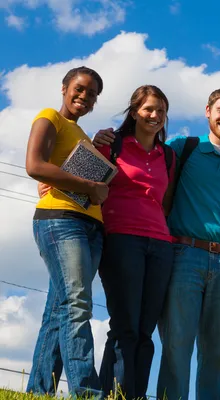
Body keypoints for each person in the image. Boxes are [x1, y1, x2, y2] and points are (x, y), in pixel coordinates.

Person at [93, 87, 220, 400]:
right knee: (176, 345)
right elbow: (140, 154)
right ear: (208, 111)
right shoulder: (182, 149)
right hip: (184, 254)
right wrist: (104, 140)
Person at [25, 66, 107, 398]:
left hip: (92, 226)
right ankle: (87, 392)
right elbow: (35, 165)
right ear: (64, 88)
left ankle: (38, 390)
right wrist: (90, 186)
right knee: (77, 305)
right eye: (80, 88)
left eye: (92, 94)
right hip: (60, 220)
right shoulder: (49, 117)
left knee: (59, 310)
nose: (84, 96)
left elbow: (65, 170)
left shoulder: (83, 136)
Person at [94, 85, 175, 400]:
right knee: (124, 325)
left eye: (161, 111)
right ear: (134, 111)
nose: (155, 116)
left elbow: (165, 203)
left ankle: (136, 395)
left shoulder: (167, 155)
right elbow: (83, 179)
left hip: (160, 244)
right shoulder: (111, 145)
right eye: (148, 109)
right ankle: (111, 394)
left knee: (146, 330)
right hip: (121, 238)